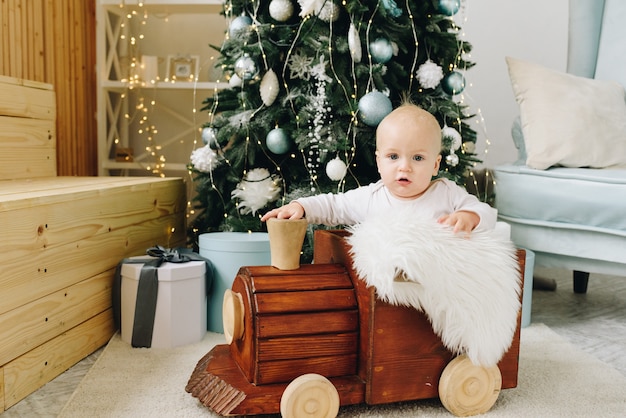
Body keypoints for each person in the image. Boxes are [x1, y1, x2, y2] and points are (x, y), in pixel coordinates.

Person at [261, 103, 496, 236]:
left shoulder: (446, 193)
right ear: (379, 162)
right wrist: (300, 206)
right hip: (386, 290)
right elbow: (334, 205)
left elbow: (484, 212)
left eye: (418, 157)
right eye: (393, 156)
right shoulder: (371, 198)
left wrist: (468, 216)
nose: (405, 166)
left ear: (435, 165)